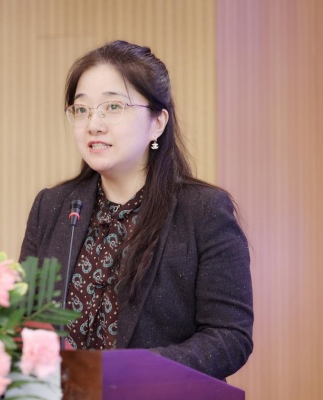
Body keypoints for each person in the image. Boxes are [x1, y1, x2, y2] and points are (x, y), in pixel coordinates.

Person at [19, 40, 253, 380]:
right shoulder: (53, 207)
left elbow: (230, 337)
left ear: (157, 122)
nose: (93, 124)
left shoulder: (202, 211)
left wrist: (129, 371)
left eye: (113, 107)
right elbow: (23, 319)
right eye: (81, 109)